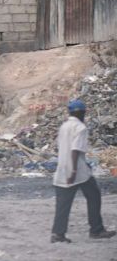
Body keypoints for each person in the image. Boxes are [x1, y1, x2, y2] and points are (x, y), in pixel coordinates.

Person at [50, 100, 116, 243]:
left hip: (61, 169)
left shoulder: (64, 126)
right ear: (82, 113)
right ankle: (96, 230)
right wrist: (73, 170)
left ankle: (57, 234)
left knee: (63, 204)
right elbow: (75, 149)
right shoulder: (80, 128)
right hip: (78, 171)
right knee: (94, 196)